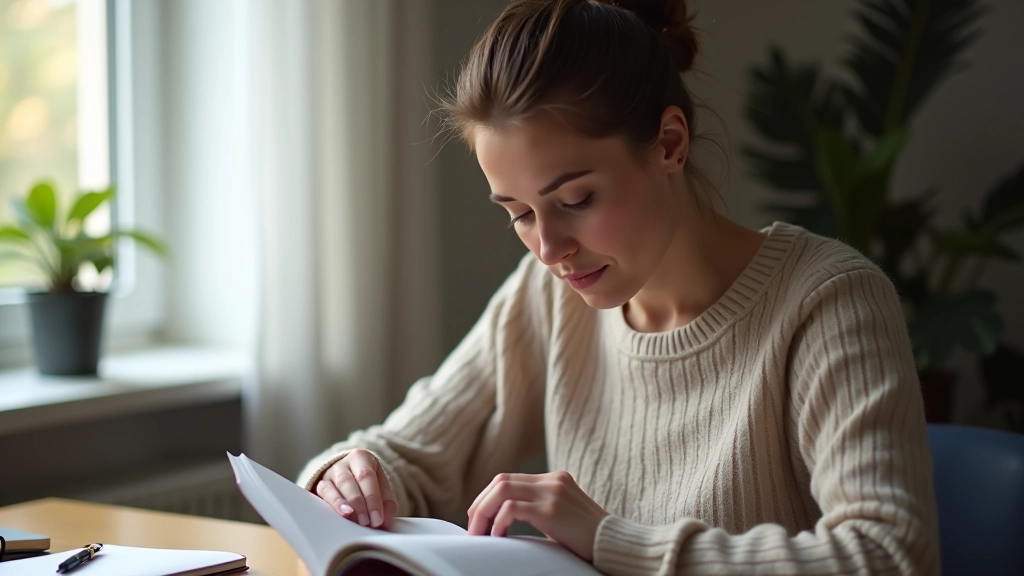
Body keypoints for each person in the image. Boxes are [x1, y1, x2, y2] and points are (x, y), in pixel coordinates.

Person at [297, 0, 940, 573]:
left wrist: (609, 539)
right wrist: (351, 474)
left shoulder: (827, 300)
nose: (549, 248)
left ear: (668, 144)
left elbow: (888, 555)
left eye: (575, 199)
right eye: (519, 213)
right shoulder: (550, 295)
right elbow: (407, 450)